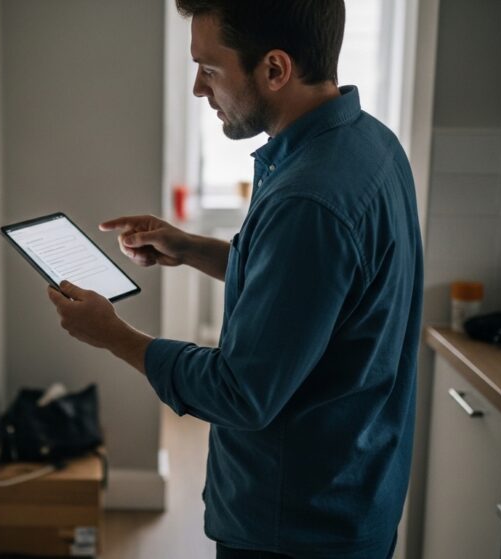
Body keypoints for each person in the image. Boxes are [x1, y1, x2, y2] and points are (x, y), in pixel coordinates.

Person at [45, 0, 423, 557]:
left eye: (210, 69)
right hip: (351, 496)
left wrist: (115, 335)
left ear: (275, 69)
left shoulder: (308, 200)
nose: (199, 88)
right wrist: (189, 247)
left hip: (293, 529)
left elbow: (241, 393)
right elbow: (312, 293)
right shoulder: (371, 144)